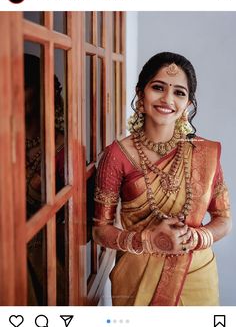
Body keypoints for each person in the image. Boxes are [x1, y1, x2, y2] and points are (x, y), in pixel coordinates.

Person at [92, 52, 232, 306]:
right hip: (137, 276)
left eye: (179, 92)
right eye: (158, 87)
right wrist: (145, 240)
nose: (168, 99)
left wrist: (198, 238)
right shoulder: (117, 155)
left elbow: (223, 219)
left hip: (195, 273)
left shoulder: (204, 154)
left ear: (188, 105)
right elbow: (100, 230)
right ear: (141, 93)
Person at [24, 53, 66, 305]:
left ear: (41, 92)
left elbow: (79, 225)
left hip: (46, 259)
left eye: (22, 86)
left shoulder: (63, 147)